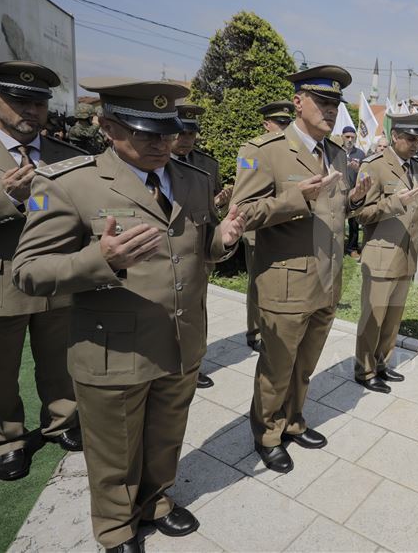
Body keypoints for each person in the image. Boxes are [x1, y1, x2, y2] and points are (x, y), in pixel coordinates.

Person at [13, 78, 245, 553]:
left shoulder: (193, 179)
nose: (163, 143)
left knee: (165, 435)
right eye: (146, 133)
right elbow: (28, 271)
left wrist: (225, 240)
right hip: (112, 348)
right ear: (107, 126)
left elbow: (200, 252)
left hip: (179, 338)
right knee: (115, 448)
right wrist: (103, 261)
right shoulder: (67, 184)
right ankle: (116, 528)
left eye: (168, 130)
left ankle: (156, 501)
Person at [230, 65, 371, 475]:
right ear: (298, 102)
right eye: (322, 102)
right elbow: (243, 214)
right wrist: (295, 198)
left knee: (304, 365)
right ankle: (268, 434)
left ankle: (293, 421)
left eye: (335, 105)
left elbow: (334, 213)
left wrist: (355, 200)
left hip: (326, 282)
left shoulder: (338, 155)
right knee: (276, 368)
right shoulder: (265, 150)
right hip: (285, 282)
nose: (330, 112)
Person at [0, 61, 85, 482]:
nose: (32, 111)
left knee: (61, 362)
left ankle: (61, 420)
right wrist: (9, 197)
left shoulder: (69, 156)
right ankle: (4, 440)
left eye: (39, 103)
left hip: (58, 279)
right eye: (20, 101)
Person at [353, 112, 418, 393]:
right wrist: (394, 203)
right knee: (374, 317)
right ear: (395, 137)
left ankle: (381, 363)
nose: (416, 143)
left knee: (393, 317)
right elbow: (361, 213)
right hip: (382, 256)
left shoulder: (416, 166)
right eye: (410, 138)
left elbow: (415, 210)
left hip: (406, 254)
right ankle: (364, 369)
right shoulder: (375, 166)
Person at [171, 102, 232, 389]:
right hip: (162, 252)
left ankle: (193, 365)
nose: (186, 139)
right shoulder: (153, 162)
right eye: (181, 133)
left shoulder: (208, 165)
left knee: (196, 312)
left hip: (197, 251)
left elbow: (211, 211)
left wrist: (219, 203)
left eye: (191, 133)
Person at [242, 100, 294, 352]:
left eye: (288, 123)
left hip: (283, 231)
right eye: (280, 123)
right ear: (266, 124)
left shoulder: (292, 152)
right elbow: (248, 199)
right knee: (257, 281)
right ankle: (255, 330)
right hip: (257, 231)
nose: (285, 127)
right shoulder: (254, 151)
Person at [341, 125, 367, 259]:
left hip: (354, 193)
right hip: (338, 192)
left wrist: (358, 170)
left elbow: (365, 175)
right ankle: (336, 247)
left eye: (352, 137)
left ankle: (352, 248)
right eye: (347, 137)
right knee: (336, 221)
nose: (350, 139)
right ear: (342, 137)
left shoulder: (360, 154)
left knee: (354, 222)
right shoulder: (335, 151)